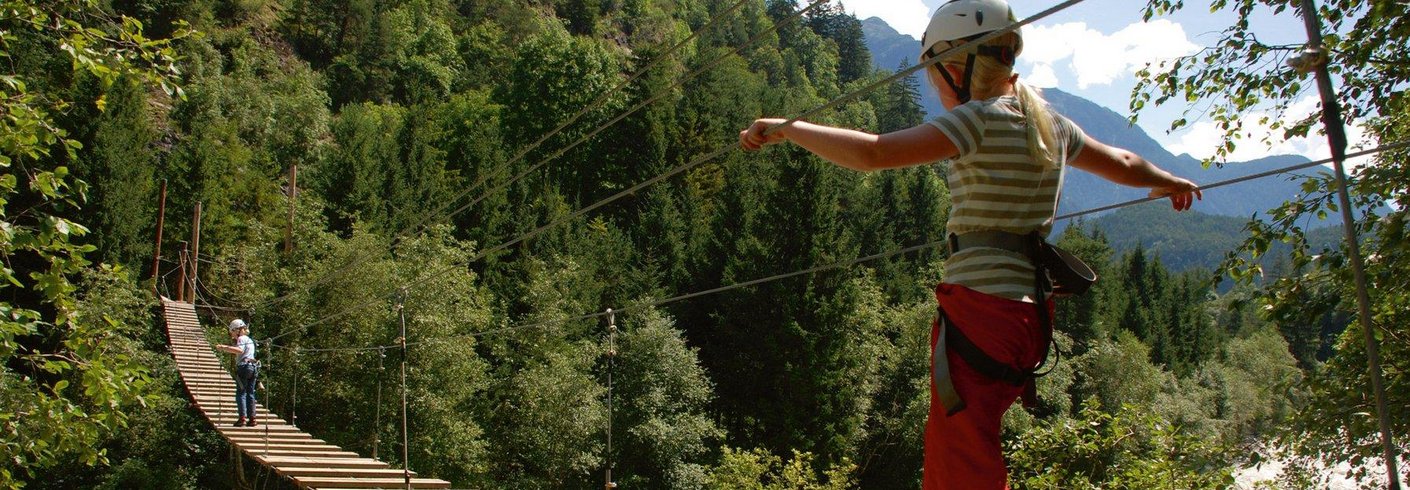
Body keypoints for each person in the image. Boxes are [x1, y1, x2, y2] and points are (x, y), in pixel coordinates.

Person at [738, 0, 1201, 488]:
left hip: (981, 309)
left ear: (957, 66)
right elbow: (1125, 161)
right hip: (1029, 316)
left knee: (960, 454)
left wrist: (789, 129)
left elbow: (874, 153)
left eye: (935, 73)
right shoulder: (1053, 127)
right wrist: (1169, 180)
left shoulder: (975, 120)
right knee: (973, 441)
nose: (935, 87)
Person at [216, 318, 259, 427]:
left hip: (244, 367)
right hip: (253, 368)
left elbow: (239, 350)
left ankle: (242, 418)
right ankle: (252, 418)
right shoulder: (250, 340)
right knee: (250, 393)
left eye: (233, 333)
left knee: (241, 393)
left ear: (237, 330)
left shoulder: (241, 339)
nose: (233, 336)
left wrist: (223, 348)